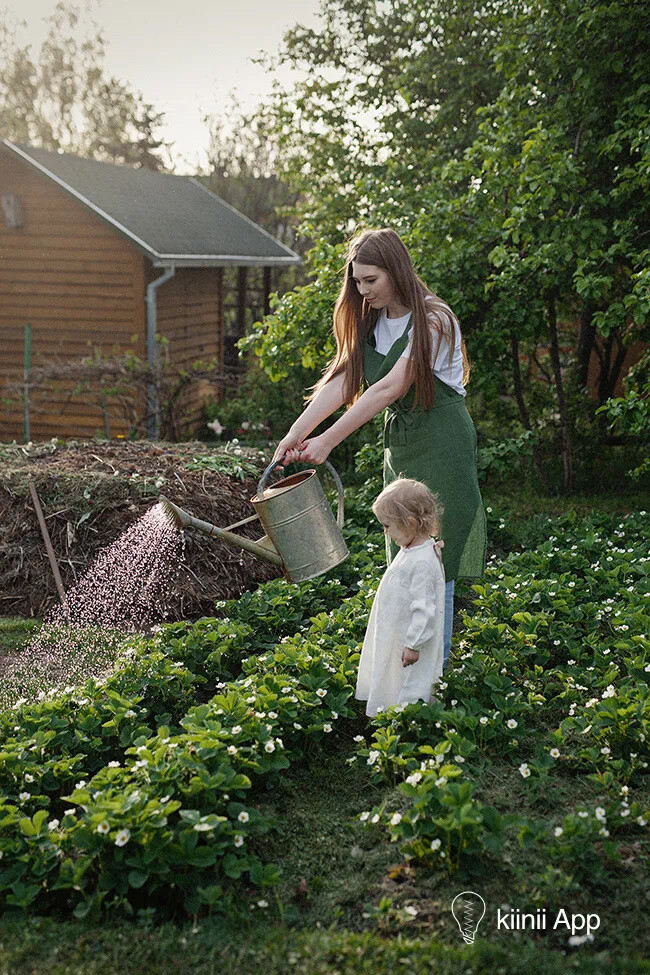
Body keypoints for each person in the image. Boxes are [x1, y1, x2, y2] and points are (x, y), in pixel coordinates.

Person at [272, 228, 487, 669]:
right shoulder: (372, 320)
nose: (361, 289)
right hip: (403, 446)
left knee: (434, 559)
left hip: (442, 441)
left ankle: (433, 674)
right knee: (404, 551)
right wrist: (295, 435)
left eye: (370, 280)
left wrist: (328, 441)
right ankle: (403, 666)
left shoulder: (434, 318)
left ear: (396, 271)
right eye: (356, 280)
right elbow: (345, 381)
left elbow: (390, 386)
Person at [355, 478, 446, 716]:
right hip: (396, 630)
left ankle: (406, 720)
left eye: (387, 526)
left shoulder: (423, 562)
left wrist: (414, 644)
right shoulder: (411, 549)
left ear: (410, 523)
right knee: (391, 674)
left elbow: (425, 608)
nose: (385, 532)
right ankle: (391, 713)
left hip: (408, 639)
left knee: (407, 679)